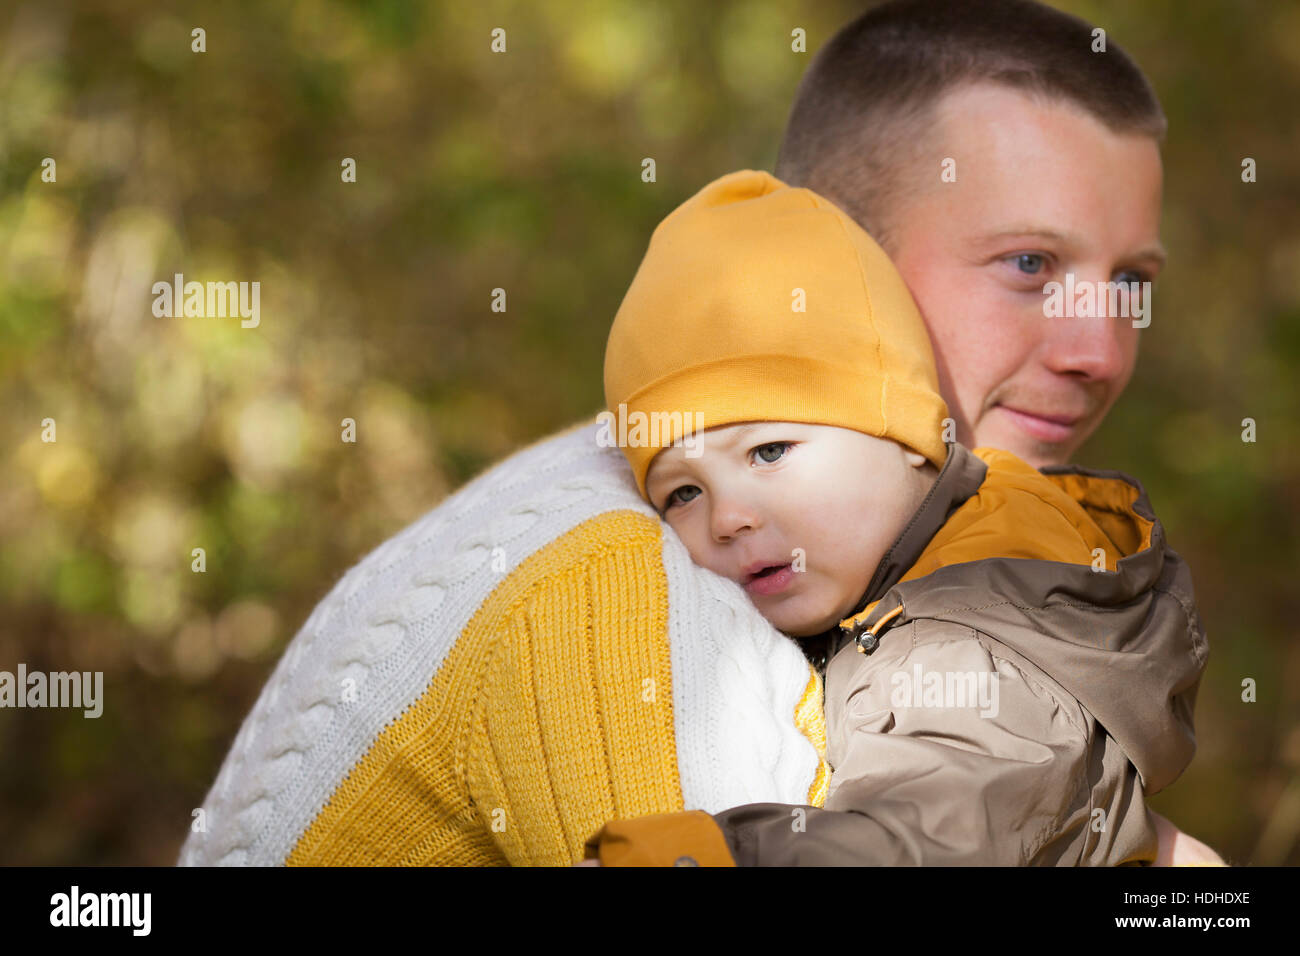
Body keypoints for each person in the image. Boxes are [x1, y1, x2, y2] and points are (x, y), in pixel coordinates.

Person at [178, 0, 1221, 867]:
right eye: (1029, 265)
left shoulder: (879, 556)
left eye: (1128, 281)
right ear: (828, 258)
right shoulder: (633, 581)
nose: (1102, 351)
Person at [582, 166, 1204, 866]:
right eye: (683, 493)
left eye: (769, 451)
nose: (727, 517)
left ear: (906, 439)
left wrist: (706, 858)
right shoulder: (887, 581)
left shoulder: (963, 621)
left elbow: (932, 839)